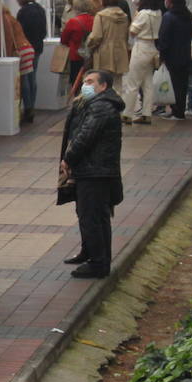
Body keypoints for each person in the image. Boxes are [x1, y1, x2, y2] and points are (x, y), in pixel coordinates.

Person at [60, 71, 124, 279]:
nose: (85, 85)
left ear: (103, 86)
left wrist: (68, 158)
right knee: (91, 215)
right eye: (85, 81)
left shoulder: (101, 107)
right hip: (92, 169)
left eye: (90, 82)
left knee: (93, 217)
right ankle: (91, 253)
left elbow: (85, 137)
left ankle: (98, 263)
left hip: (95, 172)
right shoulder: (94, 104)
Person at [124, 0, 163, 124]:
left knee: (133, 82)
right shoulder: (158, 13)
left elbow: (133, 31)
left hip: (141, 46)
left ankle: (127, 113)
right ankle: (147, 113)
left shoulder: (143, 14)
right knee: (148, 82)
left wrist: (136, 15)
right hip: (152, 47)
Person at [155, 0, 192, 120]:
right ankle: (180, 110)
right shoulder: (188, 15)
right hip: (185, 54)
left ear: (170, 2)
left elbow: (164, 38)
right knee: (182, 84)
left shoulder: (169, 17)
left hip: (172, 56)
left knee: (174, 84)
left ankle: (176, 110)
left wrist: (162, 54)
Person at [84, 0, 131, 93]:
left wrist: (88, 44)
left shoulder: (101, 16)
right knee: (118, 84)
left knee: (102, 83)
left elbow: (96, 36)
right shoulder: (124, 16)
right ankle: (118, 106)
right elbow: (126, 35)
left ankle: (105, 107)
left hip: (104, 53)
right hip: (121, 52)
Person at [1, 6, 37, 122]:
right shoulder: (12, 17)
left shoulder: (3, 19)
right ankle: (30, 106)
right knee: (30, 79)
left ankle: (27, 108)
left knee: (23, 81)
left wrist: (5, 56)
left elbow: (8, 39)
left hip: (20, 51)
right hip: (28, 48)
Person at [59, 0, 97, 95]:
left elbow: (63, 40)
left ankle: (78, 103)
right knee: (91, 83)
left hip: (76, 55)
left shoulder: (73, 22)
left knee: (76, 83)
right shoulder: (95, 20)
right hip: (91, 56)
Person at [15, 0, 48, 70]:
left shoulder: (24, 11)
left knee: (26, 75)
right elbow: (43, 31)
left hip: (27, 46)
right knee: (33, 72)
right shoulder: (40, 9)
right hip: (38, 46)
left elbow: (21, 30)